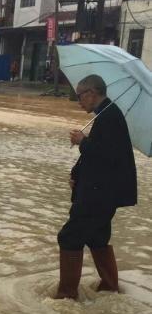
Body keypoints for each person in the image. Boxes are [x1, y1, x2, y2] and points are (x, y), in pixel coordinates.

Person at [55, 74, 137, 299]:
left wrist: (83, 141)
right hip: (103, 194)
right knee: (97, 238)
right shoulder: (107, 115)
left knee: (69, 237)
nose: (78, 101)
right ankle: (110, 289)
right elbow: (100, 158)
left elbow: (106, 157)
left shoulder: (109, 117)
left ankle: (66, 297)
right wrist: (77, 176)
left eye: (79, 96)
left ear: (92, 93)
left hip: (97, 196)